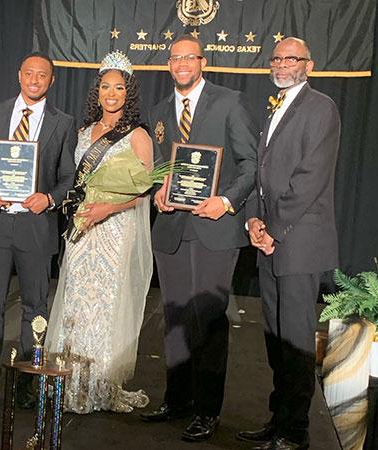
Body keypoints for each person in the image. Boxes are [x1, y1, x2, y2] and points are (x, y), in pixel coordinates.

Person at [141, 34, 258, 443]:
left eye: (189, 57)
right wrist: (159, 189)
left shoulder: (230, 102)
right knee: (174, 315)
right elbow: (160, 167)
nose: (181, 64)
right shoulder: (158, 112)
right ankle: (177, 399)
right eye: (175, 58)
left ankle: (207, 411)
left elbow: (250, 163)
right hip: (173, 229)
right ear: (168, 64)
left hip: (214, 228)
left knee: (206, 320)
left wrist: (226, 201)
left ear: (202, 61)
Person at [238, 37, 340, 450]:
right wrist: (253, 221)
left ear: (308, 65)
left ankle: (296, 432)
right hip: (271, 239)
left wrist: (272, 229)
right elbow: (262, 177)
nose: (282, 64)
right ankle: (279, 420)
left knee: (296, 342)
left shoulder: (321, 108)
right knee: (275, 339)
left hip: (299, 242)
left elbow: (309, 178)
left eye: (291, 58)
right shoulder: (273, 107)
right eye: (277, 58)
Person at [0, 52, 76, 408]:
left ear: (51, 81)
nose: (35, 80)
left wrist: (50, 199)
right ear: (19, 75)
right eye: (29, 73)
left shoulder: (63, 123)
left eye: (42, 75)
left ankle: (28, 380)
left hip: (35, 226)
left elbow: (69, 177)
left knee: (34, 307)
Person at [45, 50, 153, 414]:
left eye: (118, 87)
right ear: (98, 91)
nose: (111, 93)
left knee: (105, 303)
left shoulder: (137, 135)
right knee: (77, 299)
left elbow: (144, 192)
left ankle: (101, 385)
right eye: (105, 86)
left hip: (114, 227)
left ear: (128, 93)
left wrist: (109, 208)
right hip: (83, 226)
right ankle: (72, 382)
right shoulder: (83, 132)